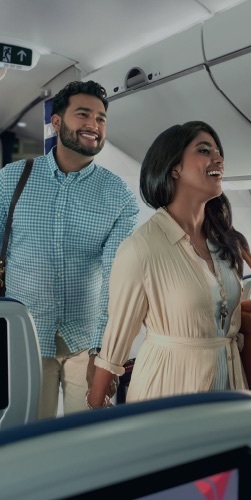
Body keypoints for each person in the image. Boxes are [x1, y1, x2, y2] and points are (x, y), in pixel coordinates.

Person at [86, 121, 251, 407]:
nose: (218, 159)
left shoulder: (225, 241)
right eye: (204, 151)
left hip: (230, 387)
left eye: (219, 152)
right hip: (170, 389)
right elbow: (117, 338)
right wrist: (95, 407)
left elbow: (208, 312)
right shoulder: (141, 248)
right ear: (174, 168)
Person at [0, 80, 139, 419]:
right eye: (83, 114)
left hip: (86, 340)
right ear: (58, 122)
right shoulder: (11, 179)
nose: (94, 125)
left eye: (101, 118)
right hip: (26, 340)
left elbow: (114, 276)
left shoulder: (118, 194)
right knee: (29, 437)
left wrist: (103, 353)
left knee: (89, 440)